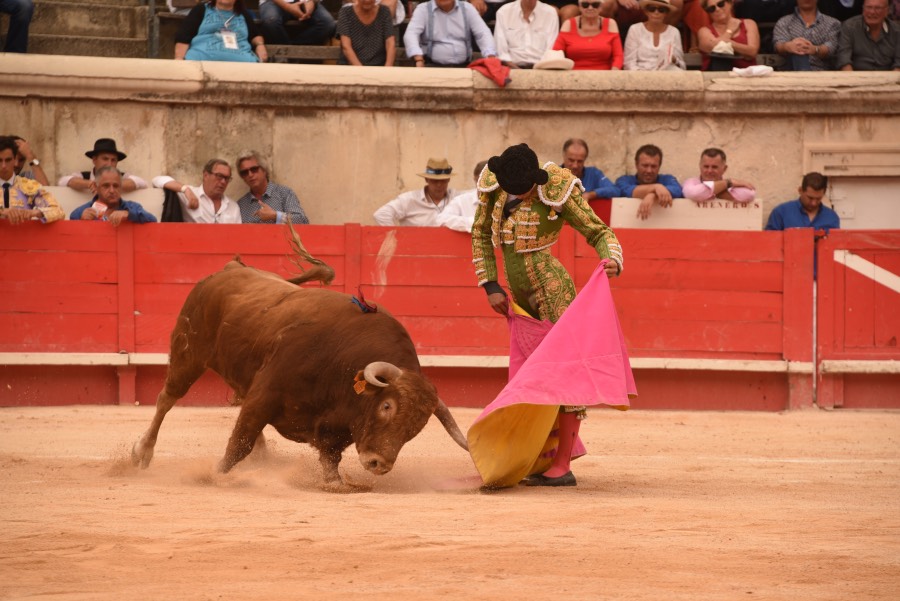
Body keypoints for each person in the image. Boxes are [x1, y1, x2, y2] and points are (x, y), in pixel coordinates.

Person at [468, 143, 630, 489]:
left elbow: (598, 231)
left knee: (565, 369)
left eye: (521, 189)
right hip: (517, 295)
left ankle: (562, 464)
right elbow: (480, 233)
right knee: (531, 373)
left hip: (551, 288)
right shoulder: (494, 183)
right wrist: (490, 285)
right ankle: (541, 455)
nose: (514, 194)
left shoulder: (556, 186)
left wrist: (611, 258)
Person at [403, 0, 498, 68]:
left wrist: (490, 55)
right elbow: (411, 34)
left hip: (464, 67)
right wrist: (418, 58)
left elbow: (482, 33)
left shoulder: (467, 8)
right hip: (431, 66)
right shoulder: (423, 9)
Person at [152, 159, 242, 224]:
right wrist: (186, 190)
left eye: (227, 178)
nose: (223, 181)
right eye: (219, 176)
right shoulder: (189, 195)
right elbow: (157, 180)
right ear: (206, 175)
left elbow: (238, 236)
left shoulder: (233, 207)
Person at [373, 157, 459, 226]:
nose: (439, 185)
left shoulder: (457, 198)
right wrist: (396, 237)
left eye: (443, 180)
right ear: (426, 179)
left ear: (448, 179)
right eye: (434, 181)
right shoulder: (409, 199)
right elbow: (381, 215)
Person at [175, 0, 268, 62]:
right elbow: (184, 37)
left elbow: (255, 35)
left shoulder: (243, 14)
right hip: (202, 60)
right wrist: (179, 59)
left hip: (242, 63)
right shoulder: (201, 9)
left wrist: (260, 45)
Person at [0, 137, 64, 225]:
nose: (3, 166)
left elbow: (58, 210)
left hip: (22, 237)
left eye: (8, 160)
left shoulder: (29, 185)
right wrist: (2, 211)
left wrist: (35, 212)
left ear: (14, 159)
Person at [235, 150, 310, 224]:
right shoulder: (241, 205)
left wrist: (276, 216)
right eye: (244, 172)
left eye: (254, 169)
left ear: (264, 170)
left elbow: (302, 221)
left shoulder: (284, 193)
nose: (250, 175)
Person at [69, 167, 158, 225]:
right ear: (96, 187)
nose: (112, 191)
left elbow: (153, 220)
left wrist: (129, 214)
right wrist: (81, 222)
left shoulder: (131, 207)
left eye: (116, 186)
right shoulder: (81, 212)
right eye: (106, 186)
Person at [57, 138, 148, 195]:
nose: (109, 164)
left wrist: (109, 185)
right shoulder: (83, 176)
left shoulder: (122, 176)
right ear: (94, 160)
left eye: (113, 160)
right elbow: (63, 181)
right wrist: (90, 184)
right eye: (105, 159)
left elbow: (142, 182)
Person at [615, 144, 682, 220]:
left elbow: (678, 190)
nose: (649, 170)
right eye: (645, 165)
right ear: (636, 165)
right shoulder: (624, 180)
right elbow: (626, 191)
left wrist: (653, 194)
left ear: (659, 166)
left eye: (653, 166)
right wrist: (656, 187)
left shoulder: (667, 179)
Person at [552, 0, 624, 70]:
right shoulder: (568, 24)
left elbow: (618, 56)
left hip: (604, 76)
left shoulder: (610, 24)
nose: (590, 8)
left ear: (601, 7)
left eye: (595, 5)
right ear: (579, 7)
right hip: (573, 76)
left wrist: (613, 74)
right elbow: (556, 53)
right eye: (585, 5)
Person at [773, 0, 841, 71]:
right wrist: (787, 46)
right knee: (798, 50)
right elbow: (778, 44)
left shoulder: (832, 23)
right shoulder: (784, 22)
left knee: (801, 48)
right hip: (790, 72)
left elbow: (831, 47)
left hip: (821, 73)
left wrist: (815, 49)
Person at [493, 0, 560, 68]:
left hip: (541, 68)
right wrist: (517, 71)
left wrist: (538, 71)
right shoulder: (503, 12)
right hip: (511, 67)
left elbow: (551, 49)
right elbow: (502, 52)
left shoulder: (551, 13)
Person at [836, 0, 900, 71]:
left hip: (888, 78)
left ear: (886, 11)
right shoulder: (849, 27)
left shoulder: (897, 31)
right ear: (863, 9)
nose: (872, 12)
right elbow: (844, 61)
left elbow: (898, 65)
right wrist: (853, 80)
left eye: (878, 8)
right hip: (856, 77)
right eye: (869, 7)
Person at [697, 0, 760, 71]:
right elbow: (714, 48)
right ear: (708, 13)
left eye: (721, 4)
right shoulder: (704, 31)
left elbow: (752, 52)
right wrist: (730, 31)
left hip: (746, 76)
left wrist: (728, 43)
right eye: (712, 8)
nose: (717, 9)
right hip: (717, 76)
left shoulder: (749, 24)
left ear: (730, 3)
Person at [765, 172, 840, 231]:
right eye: (810, 198)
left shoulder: (831, 217)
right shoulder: (781, 213)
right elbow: (770, 244)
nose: (813, 203)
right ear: (800, 190)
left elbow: (836, 246)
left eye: (818, 199)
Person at [623, 0, 686, 71]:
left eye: (661, 10)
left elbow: (682, 66)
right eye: (652, 9)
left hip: (666, 75)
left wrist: (674, 60)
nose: (656, 12)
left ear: (666, 13)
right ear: (646, 11)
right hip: (640, 75)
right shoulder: (635, 29)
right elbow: (629, 63)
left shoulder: (674, 32)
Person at [682, 147, 756, 203]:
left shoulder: (730, 186)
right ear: (700, 166)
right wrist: (728, 183)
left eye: (714, 167)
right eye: (706, 166)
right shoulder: (691, 182)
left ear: (724, 169)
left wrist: (712, 192)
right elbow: (694, 194)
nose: (709, 171)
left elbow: (749, 194)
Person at [336, 0, 396, 66]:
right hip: (351, 67)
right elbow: (346, 46)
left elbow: (390, 43)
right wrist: (362, 70)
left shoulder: (384, 11)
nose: (367, 1)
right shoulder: (346, 12)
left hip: (379, 67)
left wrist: (387, 69)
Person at [436, 160, 488, 232]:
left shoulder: (505, 201)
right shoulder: (461, 201)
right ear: (475, 179)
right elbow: (441, 219)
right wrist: (472, 222)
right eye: (482, 182)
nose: (486, 187)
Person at [258, 0, 336, 47]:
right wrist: (287, 6)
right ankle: (285, 54)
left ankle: (295, 49)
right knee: (271, 21)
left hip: (306, 2)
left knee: (328, 24)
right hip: (273, 2)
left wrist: (311, 3)